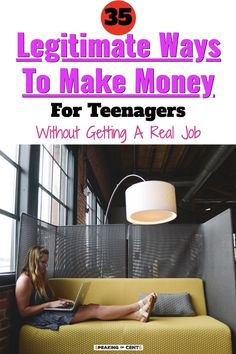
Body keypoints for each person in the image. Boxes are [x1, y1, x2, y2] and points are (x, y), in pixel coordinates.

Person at [15, 246, 156, 330]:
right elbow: (23, 312)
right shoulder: (24, 281)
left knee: (91, 307)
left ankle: (138, 316)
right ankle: (137, 305)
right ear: (34, 261)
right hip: (40, 318)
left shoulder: (40, 276)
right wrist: (50, 304)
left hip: (49, 311)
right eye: (43, 262)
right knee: (94, 310)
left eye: (47, 262)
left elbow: (48, 299)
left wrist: (62, 301)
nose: (46, 266)